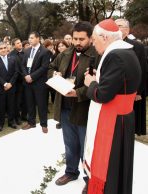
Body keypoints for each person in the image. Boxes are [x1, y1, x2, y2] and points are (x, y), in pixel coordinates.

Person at [83, 19, 141, 194]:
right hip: (122, 117)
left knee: (110, 166)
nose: (93, 43)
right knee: (119, 165)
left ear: (104, 37)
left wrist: (90, 83)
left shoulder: (115, 56)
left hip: (113, 121)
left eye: (94, 39)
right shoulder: (127, 52)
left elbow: (102, 94)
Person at [48, 21, 98, 188]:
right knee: (70, 144)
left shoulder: (96, 55)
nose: (77, 42)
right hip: (65, 106)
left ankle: (89, 179)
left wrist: (78, 92)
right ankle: (71, 172)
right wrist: (53, 73)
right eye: (75, 38)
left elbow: (99, 83)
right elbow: (50, 67)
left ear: (90, 39)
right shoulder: (66, 52)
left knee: (87, 147)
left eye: (81, 39)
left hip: (84, 108)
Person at [115, 18, 147, 136]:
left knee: (130, 121)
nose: (116, 28)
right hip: (114, 89)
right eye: (115, 25)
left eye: (119, 25)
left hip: (131, 90)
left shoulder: (137, 46)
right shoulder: (110, 45)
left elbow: (142, 70)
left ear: (127, 30)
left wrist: (138, 92)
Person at [21, 32, 52, 133]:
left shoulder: (45, 51)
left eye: (32, 38)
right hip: (28, 82)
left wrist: (32, 77)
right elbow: (23, 65)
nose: (30, 40)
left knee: (41, 103)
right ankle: (31, 122)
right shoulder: (26, 51)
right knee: (30, 103)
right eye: (29, 38)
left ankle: (44, 124)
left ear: (38, 39)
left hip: (39, 82)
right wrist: (26, 75)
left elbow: (44, 67)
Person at [0, 42, 18, 131]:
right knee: (1, 107)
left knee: (11, 106)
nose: (3, 50)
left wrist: (10, 83)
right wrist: (5, 84)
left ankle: (11, 122)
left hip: (12, 87)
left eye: (4, 48)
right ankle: (0, 124)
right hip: (0, 88)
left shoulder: (13, 58)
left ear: (7, 49)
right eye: (1, 48)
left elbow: (16, 72)